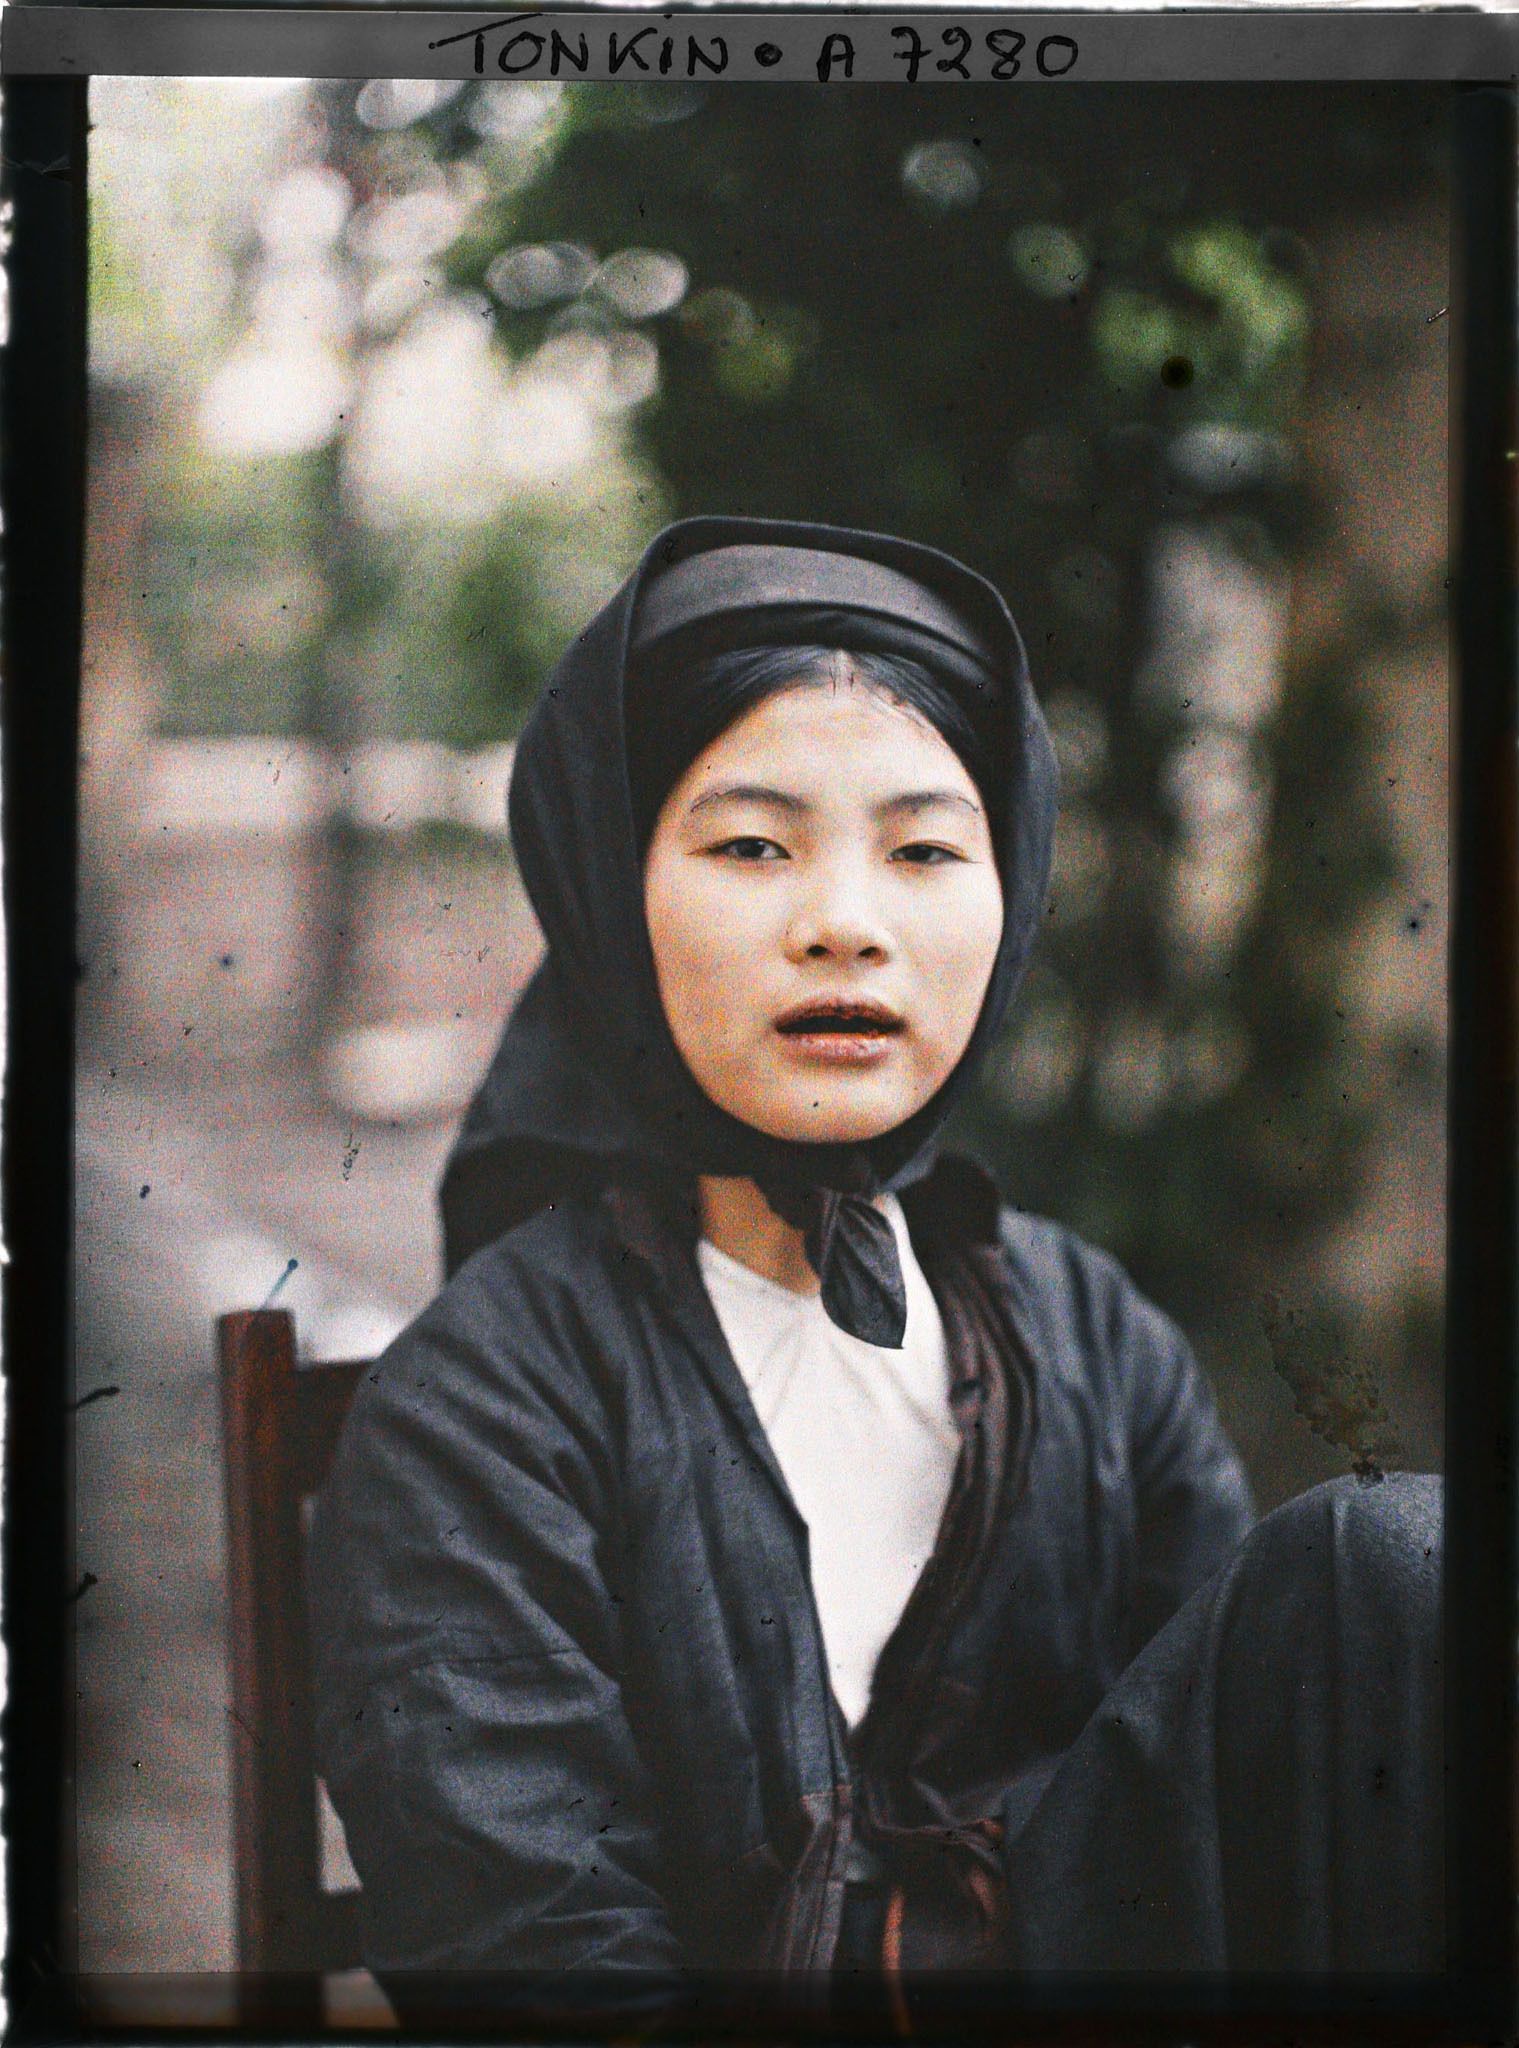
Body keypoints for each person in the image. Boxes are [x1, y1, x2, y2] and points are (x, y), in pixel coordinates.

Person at [308, 517, 1443, 2035]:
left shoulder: (1094, 1334)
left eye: (923, 850)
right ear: (608, 893)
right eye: (750, 845)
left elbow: (1238, 1808)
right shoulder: (485, 1405)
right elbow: (529, 1954)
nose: (845, 923)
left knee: (1388, 1573)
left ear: (1010, 889)